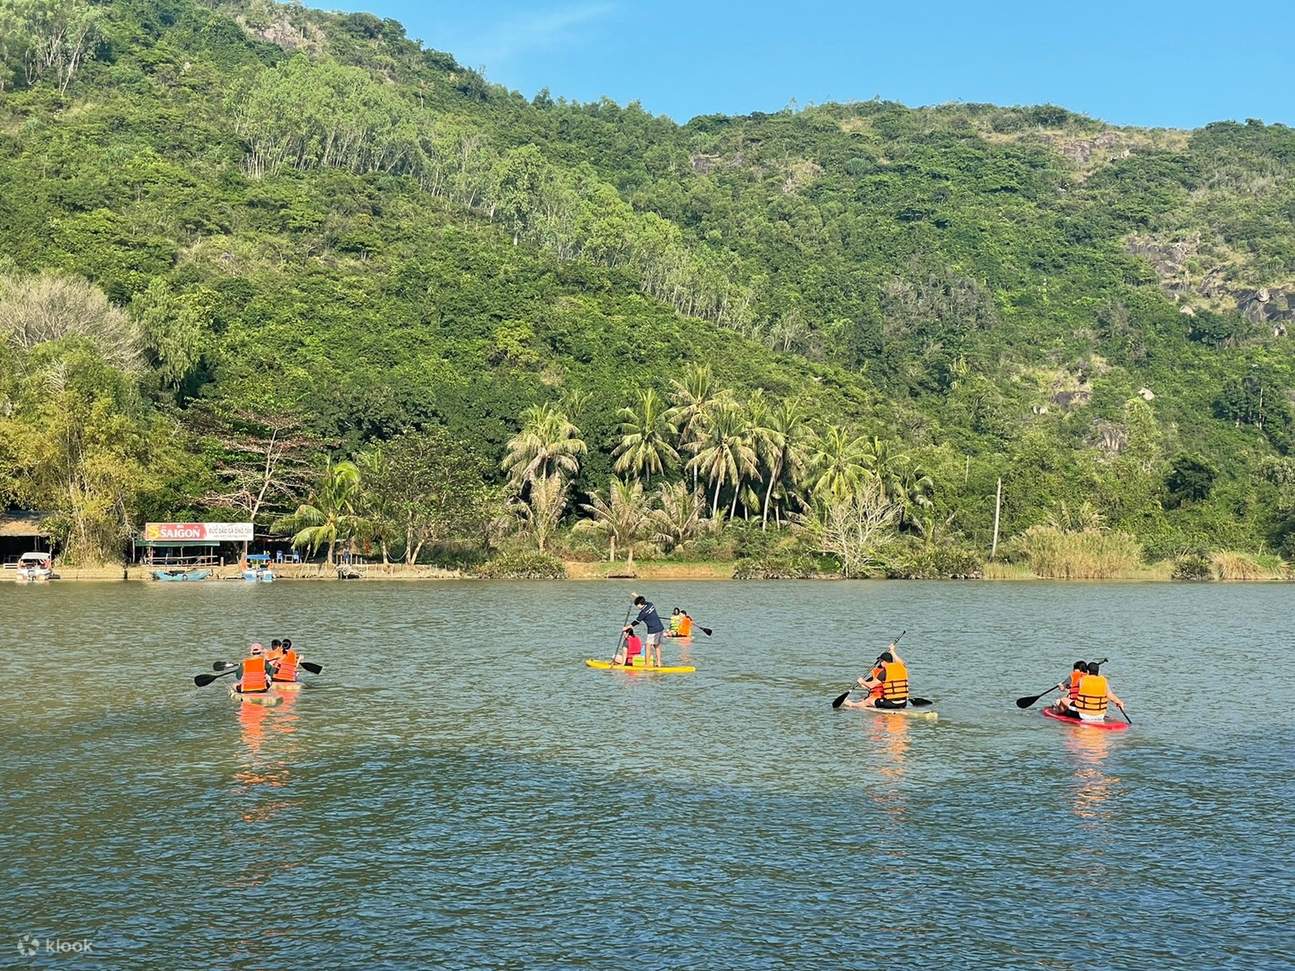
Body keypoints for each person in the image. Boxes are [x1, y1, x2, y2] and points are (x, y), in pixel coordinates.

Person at [842, 644, 909, 710]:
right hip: (903, 703)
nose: (880, 663)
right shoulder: (902, 668)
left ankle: (851, 704)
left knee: (868, 701)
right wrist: (892, 651)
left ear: (883, 661)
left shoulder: (883, 673)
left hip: (891, 704)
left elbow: (871, 686)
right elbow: (901, 662)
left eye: (880, 661)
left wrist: (862, 681)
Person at [629, 594, 666, 668]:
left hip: (653, 630)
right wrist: (637, 596)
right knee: (657, 645)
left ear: (640, 604)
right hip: (660, 628)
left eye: (637, 605)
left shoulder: (643, 613)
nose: (637, 607)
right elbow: (644, 601)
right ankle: (659, 663)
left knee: (647, 646)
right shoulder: (650, 604)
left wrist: (627, 627)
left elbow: (636, 622)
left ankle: (647, 664)